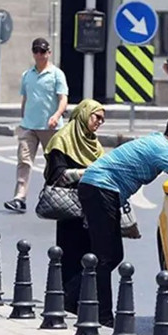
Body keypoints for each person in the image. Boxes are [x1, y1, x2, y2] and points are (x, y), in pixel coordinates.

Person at [78, 115, 168, 326]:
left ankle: (78, 300)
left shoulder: (159, 143)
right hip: (101, 188)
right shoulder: (162, 149)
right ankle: (101, 315)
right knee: (106, 256)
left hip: (99, 189)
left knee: (110, 255)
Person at [42, 99, 106, 313]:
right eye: (97, 117)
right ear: (84, 114)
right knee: (70, 255)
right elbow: (56, 175)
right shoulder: (62, 140)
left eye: (102, 120)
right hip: (69, 208)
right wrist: (85, 173)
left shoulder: (94, 144)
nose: (99, 123)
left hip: (91, 208)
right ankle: (68, 304)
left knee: (91, 256)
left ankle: (85, 302)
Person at [4, 38, 69, 213]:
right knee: (24, 161)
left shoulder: (56, 74)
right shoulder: (27, 75)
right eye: (36, 51)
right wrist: (23, 119)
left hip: (51, 128)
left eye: (42, 51)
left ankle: (56, 196)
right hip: (29, 127)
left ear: (48, 53)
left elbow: (63, 98)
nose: (39, 55)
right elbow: (25, 98)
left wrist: (56, 115)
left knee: (54, 163)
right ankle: (20, 198)